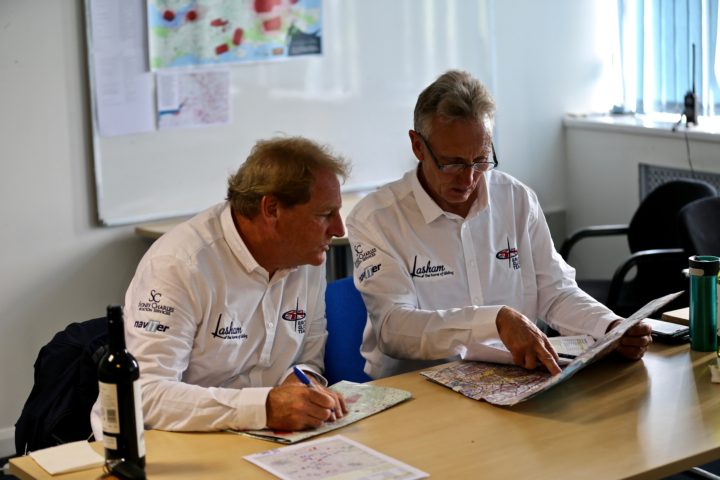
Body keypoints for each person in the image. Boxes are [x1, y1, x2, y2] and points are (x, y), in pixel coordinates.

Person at [346, 70, 652, 380]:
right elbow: (394, 328)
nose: (468, 178)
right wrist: (494, 322)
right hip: (419, 388)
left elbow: (555, 292)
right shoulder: (376, 218)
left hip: (513, 378)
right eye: (452, 163)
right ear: (417, 146)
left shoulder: (516, 199)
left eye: (480, 160)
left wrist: (610, 327)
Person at [91, 136, 350, 437]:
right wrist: (265, 407)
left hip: (259, 437)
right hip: (165, 441)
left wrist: (302, 381)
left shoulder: (306, 255)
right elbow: (144, 395)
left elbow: (308, 358)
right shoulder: (179, 264)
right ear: (271, 209)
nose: (339, 229)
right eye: (324, 215)